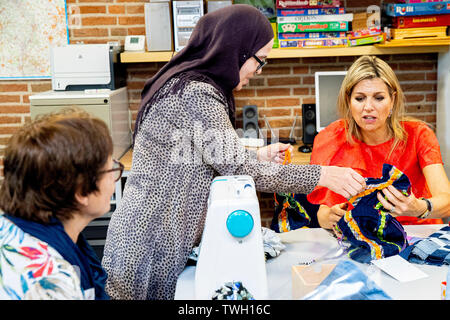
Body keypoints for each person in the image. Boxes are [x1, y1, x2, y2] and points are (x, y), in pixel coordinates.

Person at [102, 4, 366, 300]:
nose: (258, 70)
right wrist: (323, 174)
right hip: (149, 246)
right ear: (236, 50)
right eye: (259, 60)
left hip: (153, 239)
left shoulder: (190, 86)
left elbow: (202, 154)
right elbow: (239, 170)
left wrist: (256, 157)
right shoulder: (196, 94)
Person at [308, 55, 450, 232]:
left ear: (393, 100)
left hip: (417, 231)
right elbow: (322, 212)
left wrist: (419, 208)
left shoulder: (419, 134)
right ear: (348, 101)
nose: (368, 107)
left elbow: (447, 201)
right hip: (361, 235)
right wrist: (329, 217)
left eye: (379, 98)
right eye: (359, 98)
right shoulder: (329, 138)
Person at [0, 108, 123, 299]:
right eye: (110, 169)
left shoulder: (12, 228)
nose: (114, 179)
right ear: (81, 191)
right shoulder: (50, 283)